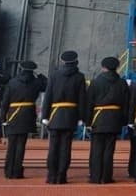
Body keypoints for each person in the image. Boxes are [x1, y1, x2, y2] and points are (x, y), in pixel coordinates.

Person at [42, 50, 87, 185]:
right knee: (65, 148)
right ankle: (62, 176)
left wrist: (45, 115)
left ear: (63, 61)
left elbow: (48, 96)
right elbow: (82, 98)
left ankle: (51, 175)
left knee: (53, 147)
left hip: (55, 114)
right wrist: (81, 117)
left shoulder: (54, 75)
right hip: (71, 115)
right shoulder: (80, 77)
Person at [0, 60, 46, 179]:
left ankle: (8, 170)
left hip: (13, 114)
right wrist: (40, 76)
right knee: (21, 145)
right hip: (28, 115)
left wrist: (3, 118)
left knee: (11, 145)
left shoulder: (12, 82)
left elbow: (5, 102)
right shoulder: (36, 82)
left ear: (21, 69)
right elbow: (46, 85)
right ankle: (17, 171)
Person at [86, 56, 129, 184]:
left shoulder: (96, 82)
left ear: (103, 67)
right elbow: (126, 103)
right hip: (114, 119)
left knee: (96, 150)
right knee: (109, 150)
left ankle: (95, 176)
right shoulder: (122, 83)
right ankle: (106, 177)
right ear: (116, 67)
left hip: (98, 118)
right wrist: (123, 120)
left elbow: (89, 103)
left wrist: (88, 121)